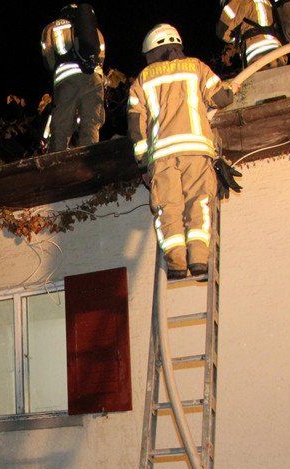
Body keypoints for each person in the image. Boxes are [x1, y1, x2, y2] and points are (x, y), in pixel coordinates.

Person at [128, 24, 236, 279]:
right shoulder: (196, 67)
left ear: (151, 52)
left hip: (162, 156)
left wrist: (143, 164)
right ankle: (198, 259)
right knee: (199, 201)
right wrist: (232, 90)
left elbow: (136, 127)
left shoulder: (142, 80)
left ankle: (176, 262)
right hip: (196, 150)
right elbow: (221, 98)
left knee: (168, 207)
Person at [41, 4, 106, 152]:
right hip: (94, 78)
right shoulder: (95, 31)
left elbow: (48, 60)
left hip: (66, 79)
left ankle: (58, 159)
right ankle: (89, 156)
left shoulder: (50, 28)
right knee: (91, 122)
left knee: (62, 124)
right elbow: (101, 57)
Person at [218, 0, 287, 68]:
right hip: (275, 46)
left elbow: (221, 32)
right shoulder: (265, 1)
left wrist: (234, 39)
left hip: (256, 51)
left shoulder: (236, 2)